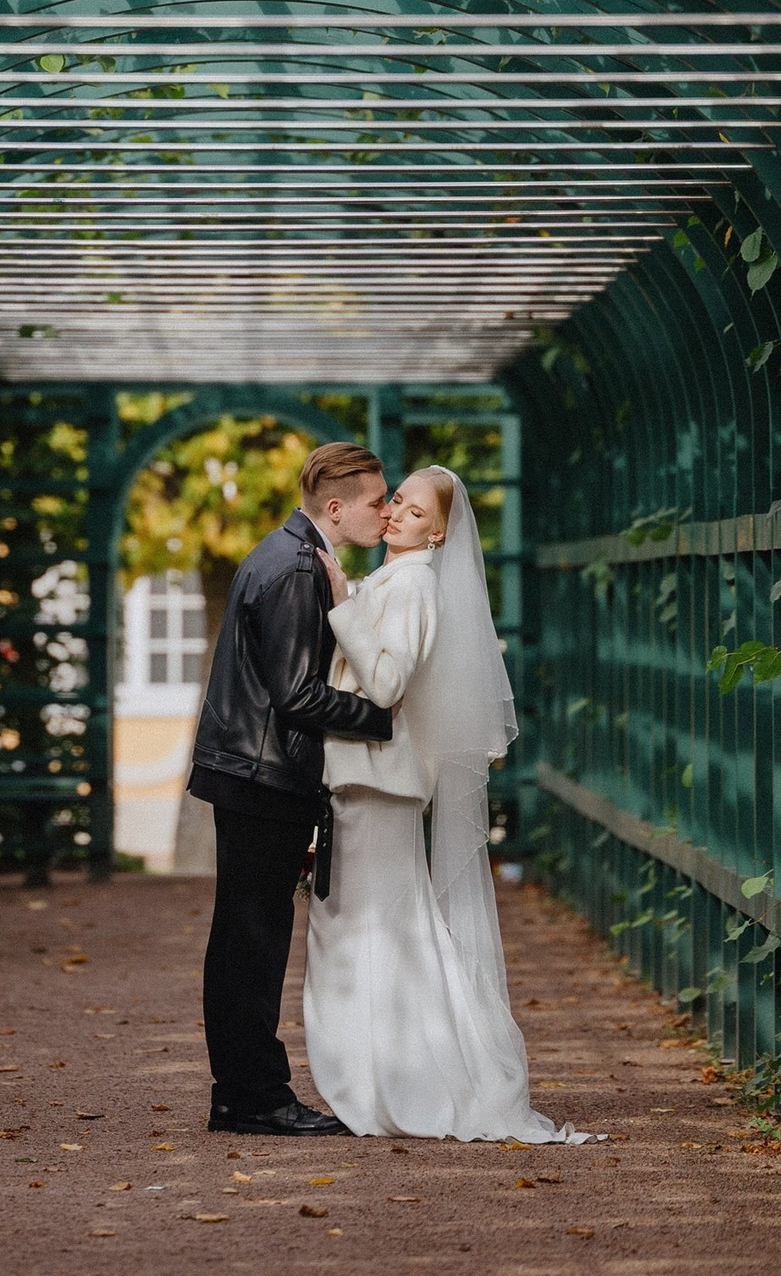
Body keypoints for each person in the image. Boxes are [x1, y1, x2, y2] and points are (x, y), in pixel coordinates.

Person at [301, 466, 590, 1143]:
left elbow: (386, 684)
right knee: (386, 933)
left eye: (414, 510)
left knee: (374, 937)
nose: (396, 513)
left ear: (438, 532)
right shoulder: (396, 579)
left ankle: (394, 1085)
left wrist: (342, 605)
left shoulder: (413, 584)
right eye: (396, 500)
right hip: (370, 782)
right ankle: (394, 1076)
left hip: (376, 783)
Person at [187, 441, 396, 1136]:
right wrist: (385, 719)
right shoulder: (298, 567)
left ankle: (243, 1093)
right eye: (377, 501)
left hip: (252, 770)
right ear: (335, 507)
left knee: (244, 937)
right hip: (262, 775)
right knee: (252, 940)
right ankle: (253, 1097)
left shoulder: (288, 555)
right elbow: (298, 694)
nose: (387, 512)